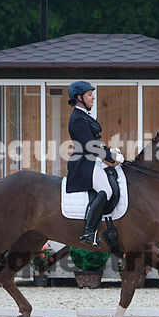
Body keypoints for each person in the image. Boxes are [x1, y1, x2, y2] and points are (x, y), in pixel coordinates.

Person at [66, 81, 124, 246]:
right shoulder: (78, 118)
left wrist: (110, 151)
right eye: (90, 95)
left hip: (93, 161)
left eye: (92, 94)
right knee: (106, 191)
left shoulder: (84, 115)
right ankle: (89, 232)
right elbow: (90, 146)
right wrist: (111, 157)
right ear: (79, 97)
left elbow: (96, 143)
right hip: (84, 164)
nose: (93, 98)